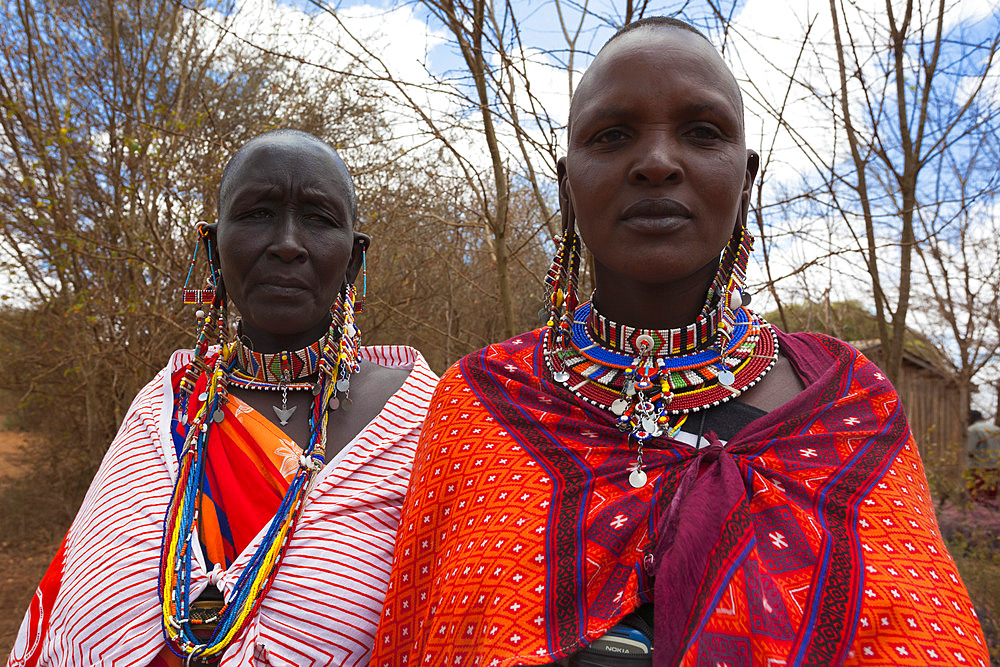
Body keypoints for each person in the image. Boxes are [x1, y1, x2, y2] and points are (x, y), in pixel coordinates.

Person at [370, 18, 988, 667]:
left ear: (746, 179)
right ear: (566, 185)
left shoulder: (849, 401)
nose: (659, 162)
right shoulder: (482, 401)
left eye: (701, 132)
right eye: (612, 136)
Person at [8, 130, 438, 666]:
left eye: (319, 218)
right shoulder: (164, 408)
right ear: (213, 248)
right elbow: (74, 622)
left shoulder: (426, 420)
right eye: (258, 213)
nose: (287, 242)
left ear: (353, 259)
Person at [966, 409, 1000, 502]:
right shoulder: (996, 429)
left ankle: (978, 513)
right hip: (996, 465)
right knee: (991, 493)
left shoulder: (973, 430)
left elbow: (970, 449)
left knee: (978, 495)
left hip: (979, 466)